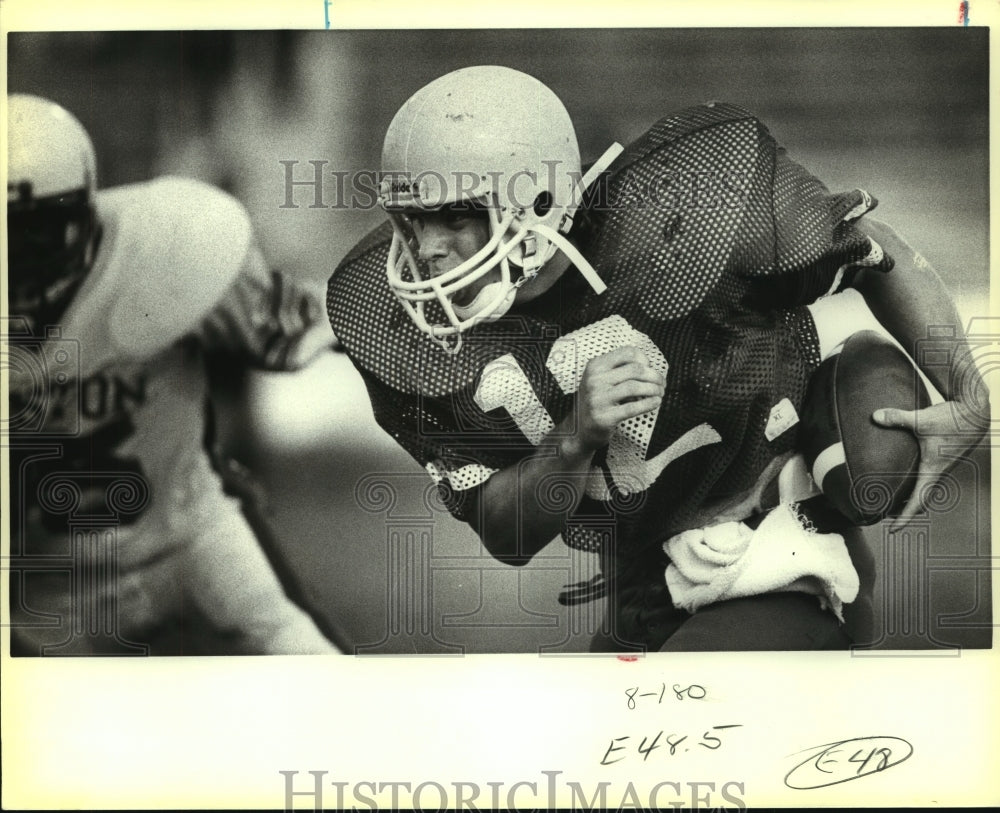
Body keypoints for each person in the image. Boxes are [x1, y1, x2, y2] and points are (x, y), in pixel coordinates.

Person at [327, 66, 989, 651]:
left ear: (537, 201)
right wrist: (573, 437)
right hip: (647, 582)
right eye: (411, 220)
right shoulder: (404, 328)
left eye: (455, 217)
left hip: (777, 546)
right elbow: (509, 536)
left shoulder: (684, 218)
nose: (427, 249)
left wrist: (965, 392)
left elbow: (875, 247)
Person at [6, 93, 343, 655]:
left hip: (187, 541)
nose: (19, 259)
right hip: (48, 586)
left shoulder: (159, 253)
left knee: (303, 658)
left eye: (39, 234)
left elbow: (288, 325)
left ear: (84, 214)